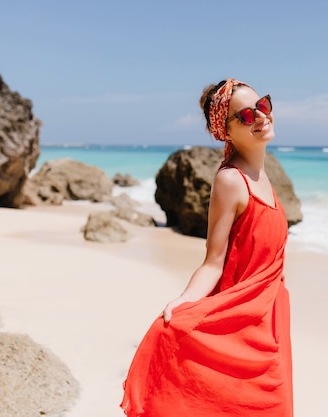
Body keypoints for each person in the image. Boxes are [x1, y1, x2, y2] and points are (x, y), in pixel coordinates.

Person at [120, 78, 293, 416]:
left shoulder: (263, 174)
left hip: (269, 318)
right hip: (240, 324)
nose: (260, 116)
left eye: (264, 105)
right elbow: (214, 262)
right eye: (245, 115)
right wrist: (185, 300)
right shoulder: (231, 180)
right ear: (225, 130)